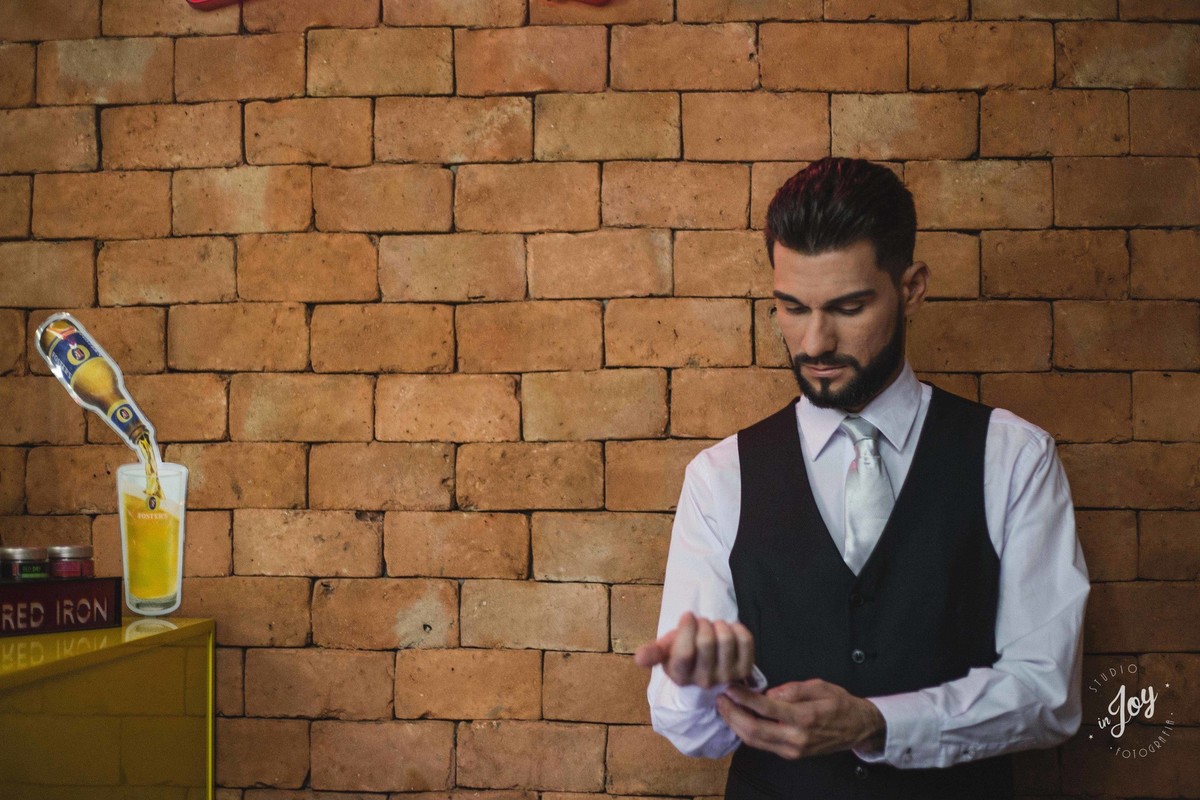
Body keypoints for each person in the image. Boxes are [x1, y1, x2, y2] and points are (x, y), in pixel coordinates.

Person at [634, 156, 1091, 799]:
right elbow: (688, 731)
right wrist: (704, 682)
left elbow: (1048, 694)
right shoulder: (719, 476)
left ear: (911, 288)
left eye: (848, 307)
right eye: (792, 308)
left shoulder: (1014, 456)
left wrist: (878, 724)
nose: (814, 342)